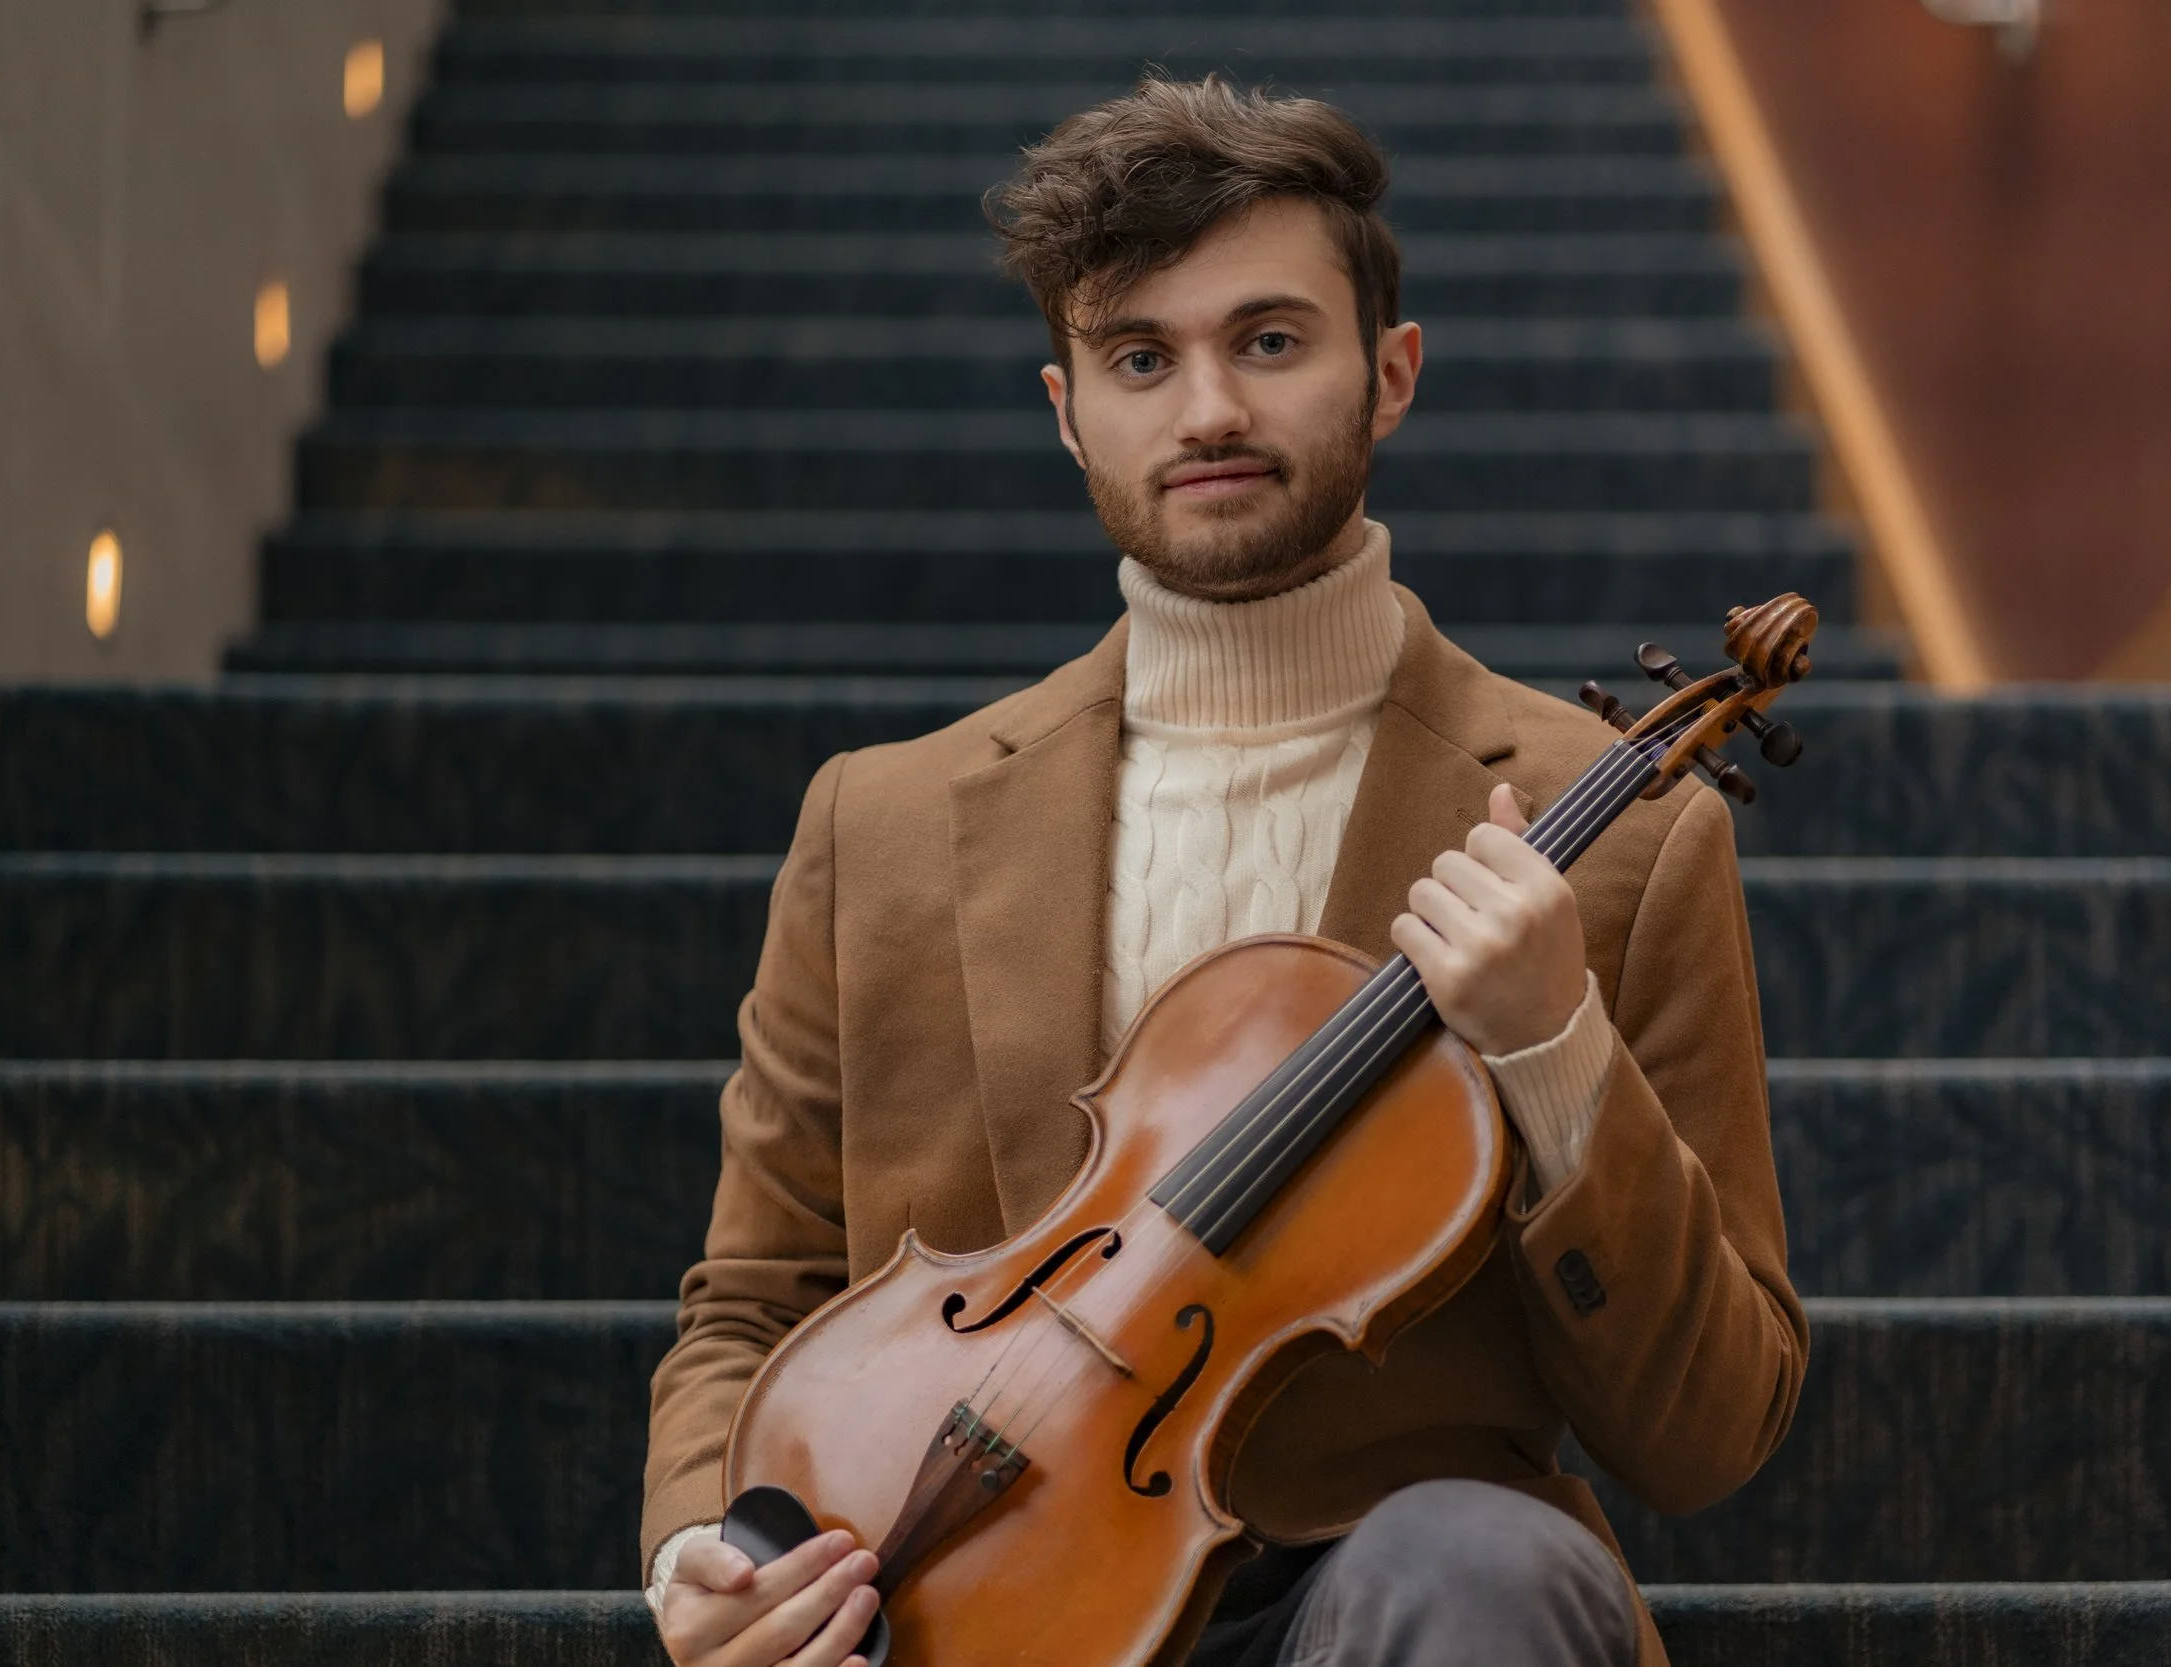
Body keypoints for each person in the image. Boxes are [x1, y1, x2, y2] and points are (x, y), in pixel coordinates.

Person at [640, 75, 1806, 1667]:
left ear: (1389, 374)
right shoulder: (883, 824)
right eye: (1141, 357)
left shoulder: (1627, 842)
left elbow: (1713, 1430)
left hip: (1396, 1615)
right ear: (1066, 407)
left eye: (1268, 340)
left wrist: (1555, 1051)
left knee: (1485, 1563)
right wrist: (710, 1555)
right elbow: (750, 1306)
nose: (1207, 413)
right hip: (977, 1606)